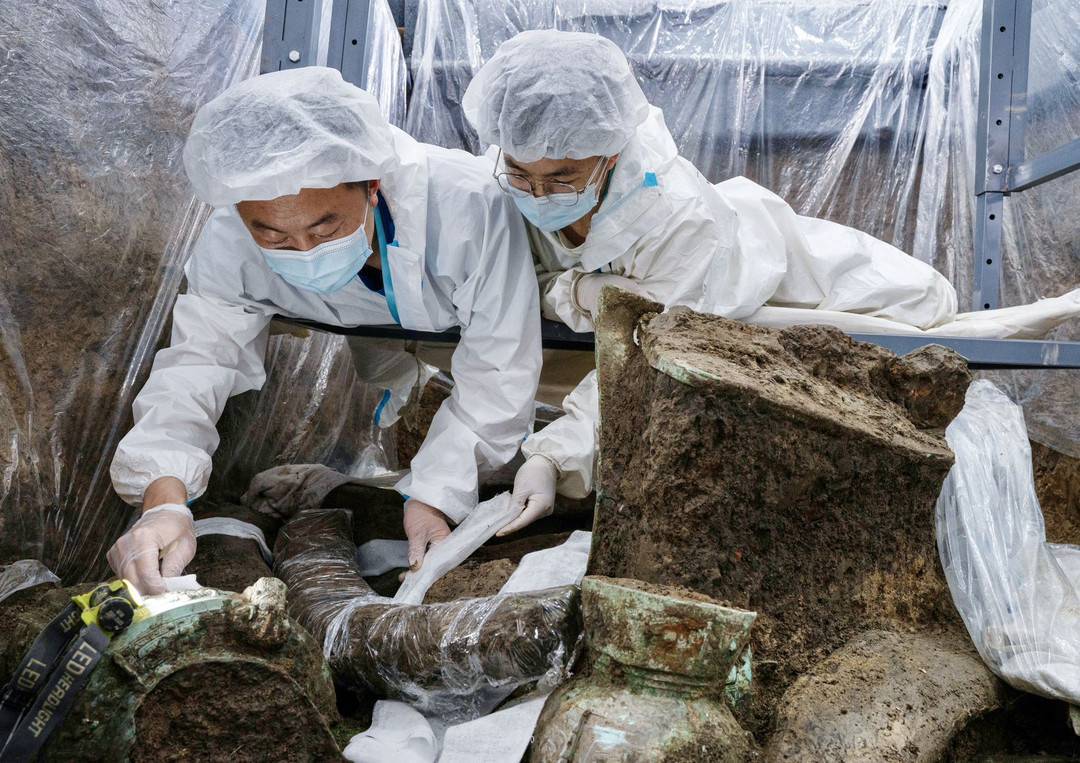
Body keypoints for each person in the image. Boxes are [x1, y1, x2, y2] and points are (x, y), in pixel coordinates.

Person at [461, 29, 1079, 536]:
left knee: (920, 306)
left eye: (563, 178)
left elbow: (645, 354)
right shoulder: (515, 176)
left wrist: (553, 455)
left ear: (611, 155)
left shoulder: (682, 218)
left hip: (782, 267)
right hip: (708, 281)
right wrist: (580, 295)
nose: (538, 194)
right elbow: (524, 276)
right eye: (521, 174)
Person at [108, 67, 541, 594]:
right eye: (274, 236)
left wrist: (435, 496)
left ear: (372, 184)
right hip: (382, 331)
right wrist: (164, 499)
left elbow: (498, 367)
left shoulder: (467, 207)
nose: (305, 250)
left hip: (469, 325)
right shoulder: (229, 240)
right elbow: (198, 362)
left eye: (326, 227)